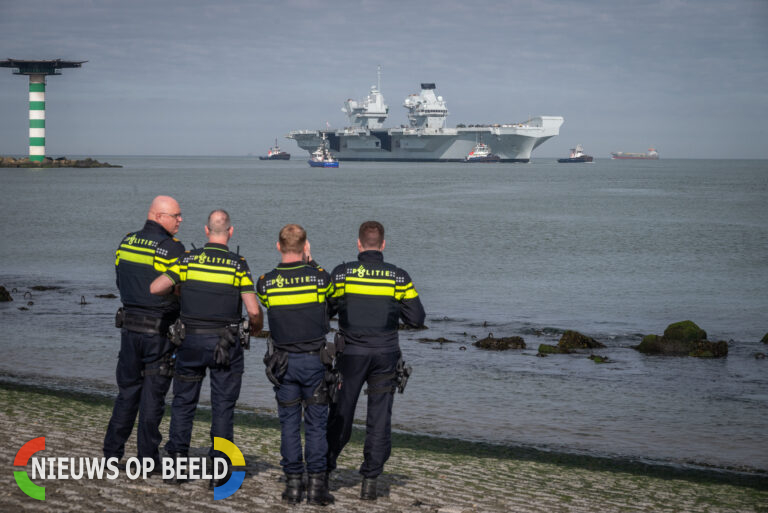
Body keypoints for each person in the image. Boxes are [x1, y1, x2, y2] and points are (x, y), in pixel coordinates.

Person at [149, 209, 262, 486]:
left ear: (206, 230)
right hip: (226, 344)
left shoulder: (187, 260)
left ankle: (175, 466)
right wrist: (256, 327)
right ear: (230, 232)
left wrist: (180, 289)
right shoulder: (238, 264)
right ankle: (220, 473)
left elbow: (155, 288)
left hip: (189, 342)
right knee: (222, 406)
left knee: (183, 402)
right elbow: (253, 310)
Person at [326, 221, 425, 501]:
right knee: (379, 418)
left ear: (359, 244)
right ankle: (370, 481)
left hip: (351, 354)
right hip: (385, 354)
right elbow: (417, 318)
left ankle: (326, 466)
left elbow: (326, 308)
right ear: (383, 245)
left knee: (341, 412)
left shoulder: (342, 273)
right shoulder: (398, 277)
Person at [104, 195, 185, 470]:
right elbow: (177, 290)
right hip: (158, 333)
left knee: (127, 393)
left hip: (128, 330)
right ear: (159, 216)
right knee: (153, 399)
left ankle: (112, 454)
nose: (180, 220)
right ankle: (147, 460)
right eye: (176, 215)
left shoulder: (126, 242)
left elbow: (119, 279)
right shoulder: (171, 248)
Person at [256, 224, 335, 505]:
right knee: (315, 425)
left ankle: (292, 486)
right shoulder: (319, 278)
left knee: (288, 424)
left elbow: (268, 306)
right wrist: (310, 260)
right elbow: (332, 292)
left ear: (278, 246)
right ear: (304, 247)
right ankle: (315, 488)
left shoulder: (265, 283)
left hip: (283, 363)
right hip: (315, 362)